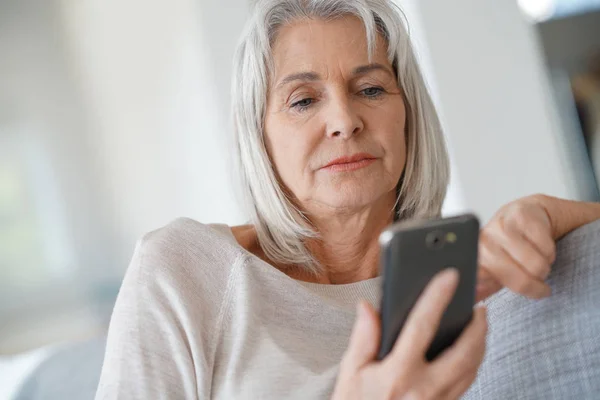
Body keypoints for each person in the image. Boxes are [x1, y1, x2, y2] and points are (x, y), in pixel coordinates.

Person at [95, 0, 600, 399]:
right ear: (260, 136)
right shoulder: (184, 270)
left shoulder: (460, 278)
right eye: (303, 100)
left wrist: (554, 213)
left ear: (409, 116)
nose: (344, 120)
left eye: (372, 89)